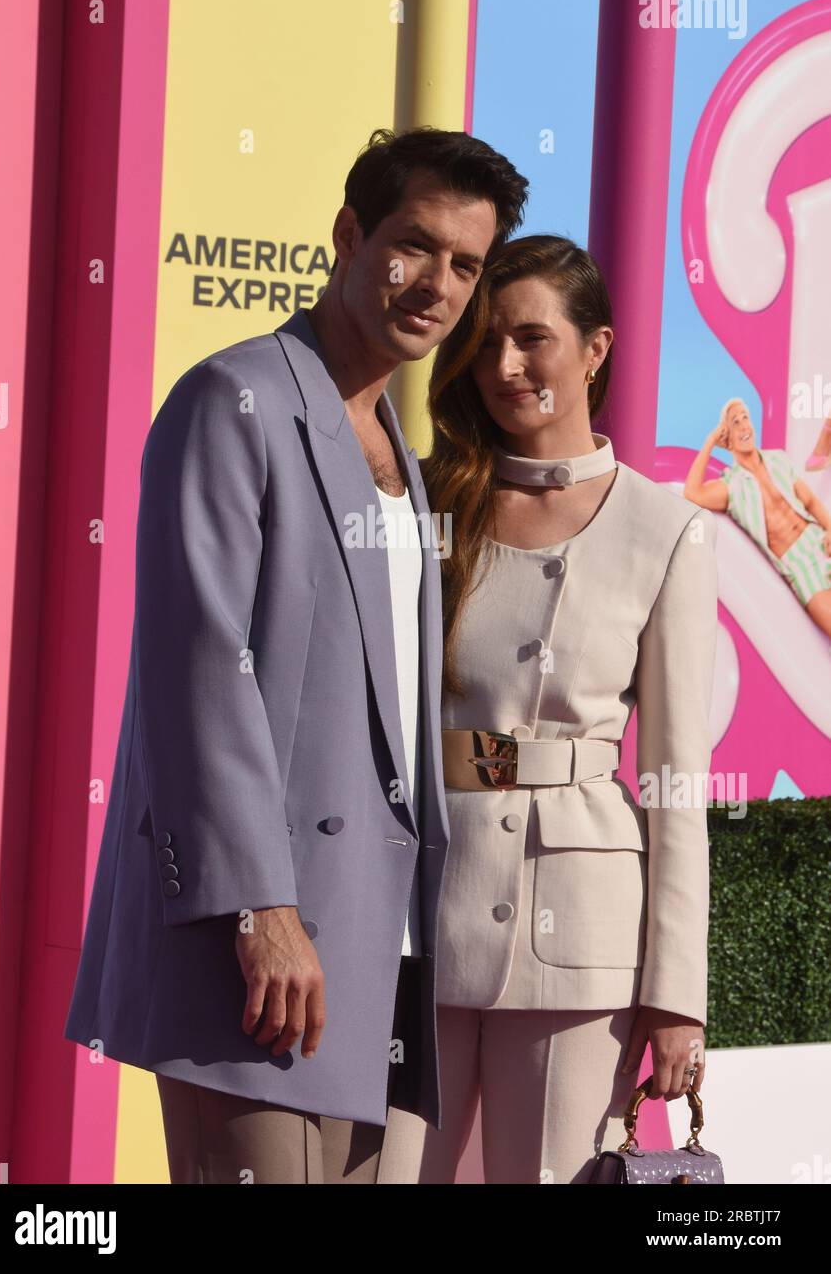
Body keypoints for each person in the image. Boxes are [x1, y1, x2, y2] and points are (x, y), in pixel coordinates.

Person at [63, 127, 529, 1183]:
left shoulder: (402, 463)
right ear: (349, 235)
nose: (439, 285)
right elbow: (198, 667)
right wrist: (259, 907)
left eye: (467, 264)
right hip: (260, 940)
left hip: (380, 948)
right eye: (415, 247)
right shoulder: (231, 402)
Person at [378, 235, 718, 1184]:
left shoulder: (668, 529)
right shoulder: (427, 503)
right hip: (419, 914)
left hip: (584, 938)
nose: (504, 366)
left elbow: (675, 783)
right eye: (486, 342)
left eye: (532, 339)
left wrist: (675, 994)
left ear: (596, 348)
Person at [684, 398, 831, 637]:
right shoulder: (731, 486)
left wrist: (829, 529)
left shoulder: (778, 459)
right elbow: (692, 493)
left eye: (746, 418)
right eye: (735, 422)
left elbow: (811, 502)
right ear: (727, 439)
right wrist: (710, 441)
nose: (743, 425)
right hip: (798, 566)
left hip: (819, 541)